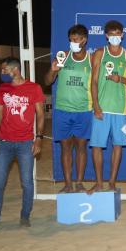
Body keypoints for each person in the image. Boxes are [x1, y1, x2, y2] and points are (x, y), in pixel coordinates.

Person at [0, 57, 45, 231]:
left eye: (4, 70)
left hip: (25, 142)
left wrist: (39, 138)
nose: (1, 74)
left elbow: (40, 115)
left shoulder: (34, 88)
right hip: (4, 143)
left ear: (15, 70)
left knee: (27, 182)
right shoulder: (3, 89)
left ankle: (25, 216)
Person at [89, 20, 126, 192]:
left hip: (120, 109)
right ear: (106, 36)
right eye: (111, 34)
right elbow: (93, 81)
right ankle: (99, 182)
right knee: (97, 145)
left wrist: (121, 79)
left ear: (123, 35)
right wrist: (96, 105)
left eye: (118, 34)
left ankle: (111, 181)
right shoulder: (99, 53)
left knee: (118, 145)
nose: (115, 37)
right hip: (101, 107)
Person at [44, 24, 93, 193]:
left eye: (76, 40)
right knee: (65, 147)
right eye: (71, 40)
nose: (72, 43)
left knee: (81, 147)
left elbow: (97, 85)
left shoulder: (92, 59)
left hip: (84, 110)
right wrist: (52, 70)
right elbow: (47, 81)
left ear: (84, 40)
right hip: (63, 110)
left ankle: (79, 182)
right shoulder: (62, 57)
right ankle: (67, 183)